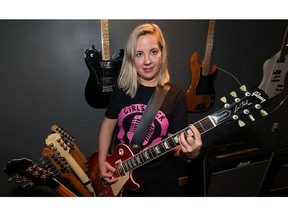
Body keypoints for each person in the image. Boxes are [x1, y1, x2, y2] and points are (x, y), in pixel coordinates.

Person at [97, 23, 202, 196]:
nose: (147, 61)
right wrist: (102, 161)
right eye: (139, 54)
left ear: (162, 54)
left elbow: (174, 145)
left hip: (160, 179)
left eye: (153, 52)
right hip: (120, 172)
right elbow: (108, 125)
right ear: (132, 58)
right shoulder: (122, 90)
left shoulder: (176, 96)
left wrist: (191, 153)